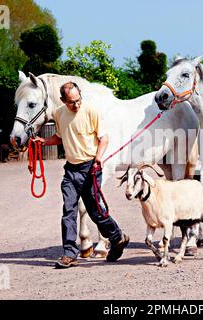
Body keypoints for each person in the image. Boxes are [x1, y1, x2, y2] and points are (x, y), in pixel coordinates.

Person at [35, 82, 129, 268]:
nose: (76, 105)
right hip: (71, 169)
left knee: (95, 211)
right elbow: (60, 137)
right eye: (71, 102)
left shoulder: (91, 112)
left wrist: (98, 158)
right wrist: (44, 141)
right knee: (68, 210)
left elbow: (104, 138)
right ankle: (69, 254)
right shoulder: (59, 114)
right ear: (63, 101)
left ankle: (117, 237)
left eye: (78, 100)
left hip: (90, 168)